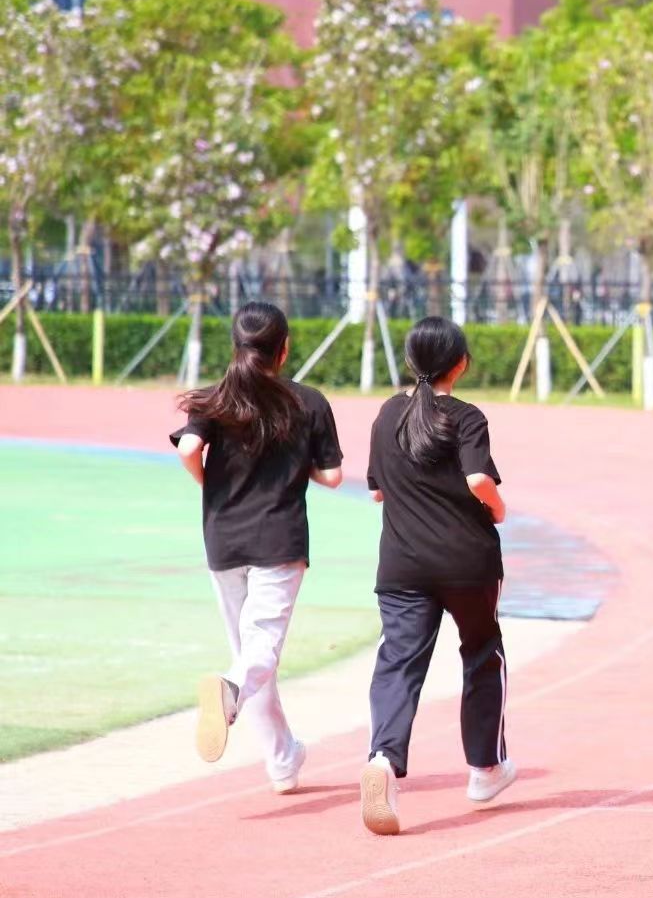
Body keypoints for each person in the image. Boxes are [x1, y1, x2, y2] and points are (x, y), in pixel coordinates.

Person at [171, 301, 344, 793]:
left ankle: (283, 762)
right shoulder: (309, 402)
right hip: (278, 539)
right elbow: (333, 476)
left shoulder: (215, 398)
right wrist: (299, 465)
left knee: (249, 653)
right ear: (283, 349)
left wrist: (208, 485)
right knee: (259, 652)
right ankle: (229, 692)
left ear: (237, 345)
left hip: (223, 536)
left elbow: (188, 448)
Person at [360, 317, 513, 836]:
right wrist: (498, 508)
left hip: (402, 564)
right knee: (482, 653)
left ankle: (383, 758)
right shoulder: (466, 416)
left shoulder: (388, 414)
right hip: (467, 562)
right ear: (461, 363)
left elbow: (376, 490)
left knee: (398, 660)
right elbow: (478, 477)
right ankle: (485, 769)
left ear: (410, 361)